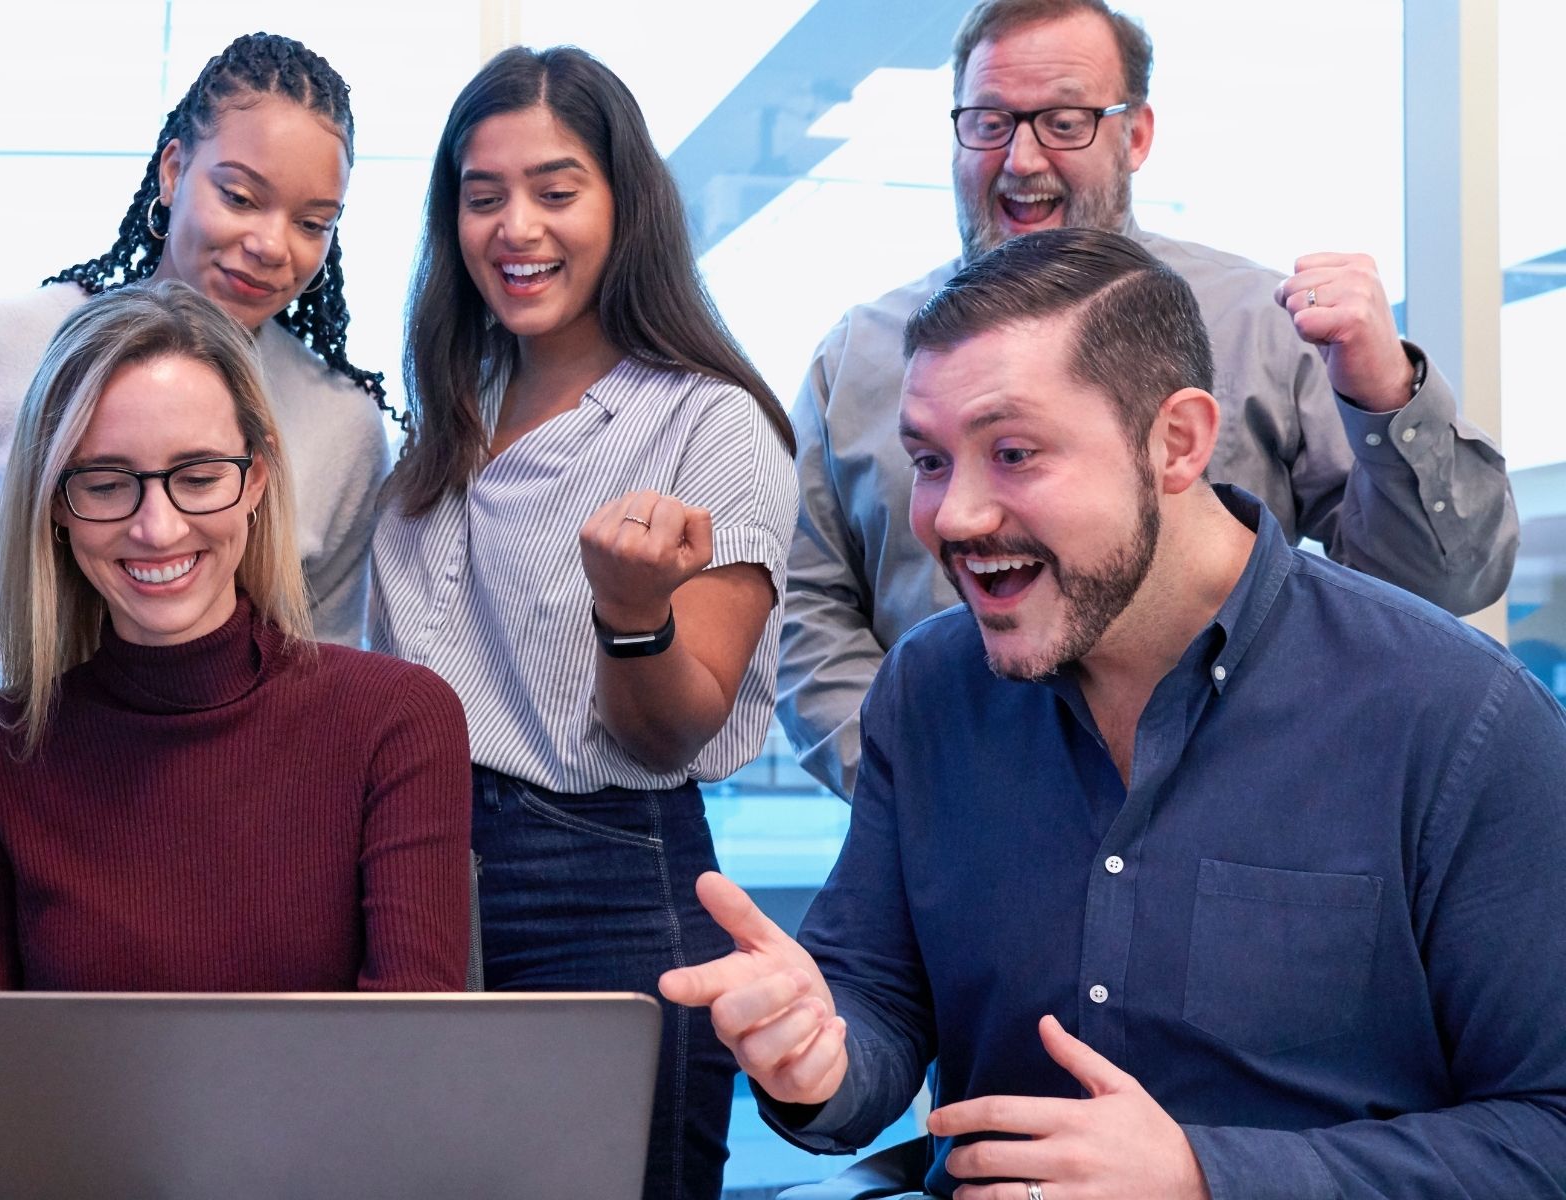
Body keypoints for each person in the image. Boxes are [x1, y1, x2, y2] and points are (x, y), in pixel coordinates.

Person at [665, 228, 1566, 1199]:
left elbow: (1548, 1131)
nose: (954, 516)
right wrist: (819, 1055)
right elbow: (876, 998)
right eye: (929, 461)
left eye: (1014, 452)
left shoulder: (1455, 718)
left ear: (1177, 442)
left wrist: (1207, 1175)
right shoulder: (929, 690)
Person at [776, 0, 1517, 798]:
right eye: (989, 122)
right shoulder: (854, 359)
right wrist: (919, 787)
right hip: (954, 855)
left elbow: (1446, 587)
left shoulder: (1265, 331)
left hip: (1230, 825)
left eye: (1064, 122)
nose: (1022, 158)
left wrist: (1384, 396)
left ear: (1136, 136)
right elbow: (806, 615)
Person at [0, 281, 473, 1198]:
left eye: (196, 475)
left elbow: (405, 1073)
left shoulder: (396, 724)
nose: (155, 525)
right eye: (105, 481)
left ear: (256, 478)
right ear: (55, 502)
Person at [372, 46, 799, 1200]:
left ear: (625, 206)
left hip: (604, 875)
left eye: (557, 191)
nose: (517, 227)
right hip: (420, 867)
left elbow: (672, 733)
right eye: (482, 195)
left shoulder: (711, 427)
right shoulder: (448, 412)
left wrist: (629, 613)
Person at [0, 31, 398, 728]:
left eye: (313, 222)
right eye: (242, 197)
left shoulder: (343, 427)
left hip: (206, 814)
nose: (273, 245)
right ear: (172, 170)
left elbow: (315, 678)